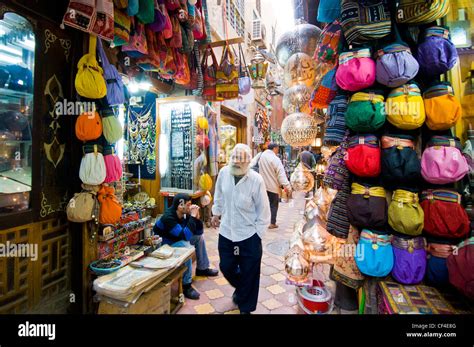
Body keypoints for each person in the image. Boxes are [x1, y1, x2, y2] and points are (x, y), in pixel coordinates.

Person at [211, 144, 271, 314]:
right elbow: (219, 195)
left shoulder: (256, 180)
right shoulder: (224, 173)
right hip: (227, 233)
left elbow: (264, 210)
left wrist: (258, 235)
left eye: (241, 159)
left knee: (250, 272)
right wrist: (216, 213)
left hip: (248, 235)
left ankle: (245, 306)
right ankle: (243, 291)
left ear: (248, 162)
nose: (236, 161)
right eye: (234, 157)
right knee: (227, 266)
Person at [153, 194, 218, 300]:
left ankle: (202, 268)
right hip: (164, 244)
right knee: (187, 247)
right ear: (180, 206)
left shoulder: (184, 213)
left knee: (199, 238)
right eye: (188, 205)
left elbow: (198, 232)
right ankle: (186, 285)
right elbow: (185, 236)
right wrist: (192, 217)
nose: (191, 207)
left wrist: (196, 219)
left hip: (177, 239)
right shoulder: (168, 217)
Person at [253, 143, 291, 229]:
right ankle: (272, 223)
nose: (278, 151)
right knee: (273, 205)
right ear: (274, 148)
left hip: (262, 185)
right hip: (273, 186)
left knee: (263, 205)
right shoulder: (275, 159)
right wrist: (288, 187)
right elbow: (281, 175)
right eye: (277, 149)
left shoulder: (262, 156)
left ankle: (261, 221)